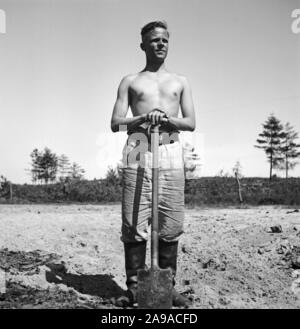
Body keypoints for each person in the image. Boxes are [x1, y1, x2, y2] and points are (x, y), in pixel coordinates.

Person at [111, 21, 196, 307]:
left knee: (170, 220)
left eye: (165, 41)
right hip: (138, 146)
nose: (161, 45)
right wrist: (141, 119)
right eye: (155, 40)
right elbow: (115, 122)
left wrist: (168, 119)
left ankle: (165, 286)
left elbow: (191, 123)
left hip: (170, 147)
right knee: (134, 219)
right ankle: (135, 287)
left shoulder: (180, 81)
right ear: (143, 45)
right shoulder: (130, 81)